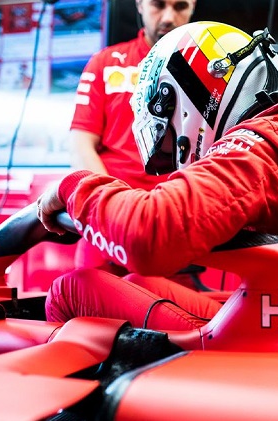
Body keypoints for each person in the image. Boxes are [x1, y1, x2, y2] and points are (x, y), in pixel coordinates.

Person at [36, 21, 278, 331]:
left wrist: (73, 187)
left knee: (71, 290)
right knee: (139, 281)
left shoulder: (261, 145)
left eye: (171, 133)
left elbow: (148, 236)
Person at [70, 0, 195, 271]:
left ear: (193, 6)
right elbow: (81, 144)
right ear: (139, 4)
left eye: (180, 6)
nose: (168, 17)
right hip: (106, 224)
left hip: (175, 228)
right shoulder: (106, 63)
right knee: (81, 294)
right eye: (158, 5)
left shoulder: (209, 70)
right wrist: (115, 207)